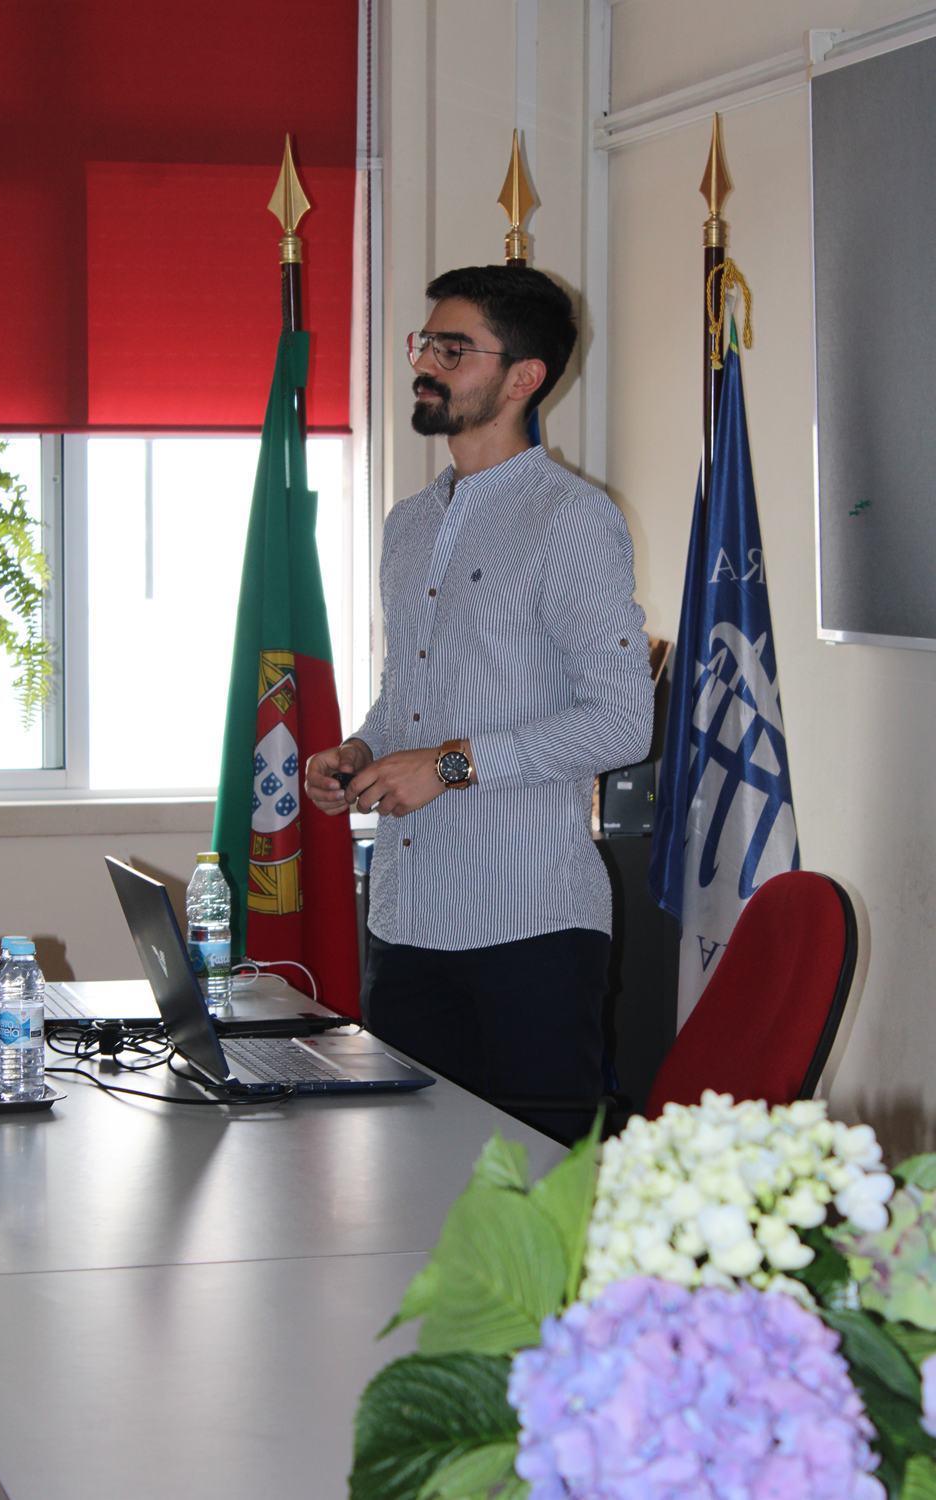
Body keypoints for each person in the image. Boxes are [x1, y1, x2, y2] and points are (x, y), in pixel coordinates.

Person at [305, 264, 653, 1141]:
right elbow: (409, 697)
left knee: (532, 1193)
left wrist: (450, 767)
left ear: (524, 376)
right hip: (405, 918)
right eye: (426, 344)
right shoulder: (410, 522)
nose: (427, 364)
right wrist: (361, 752)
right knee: (409, 1184)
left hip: (529, 929)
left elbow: (622, 722)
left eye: (453, 349)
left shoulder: (572, 519)